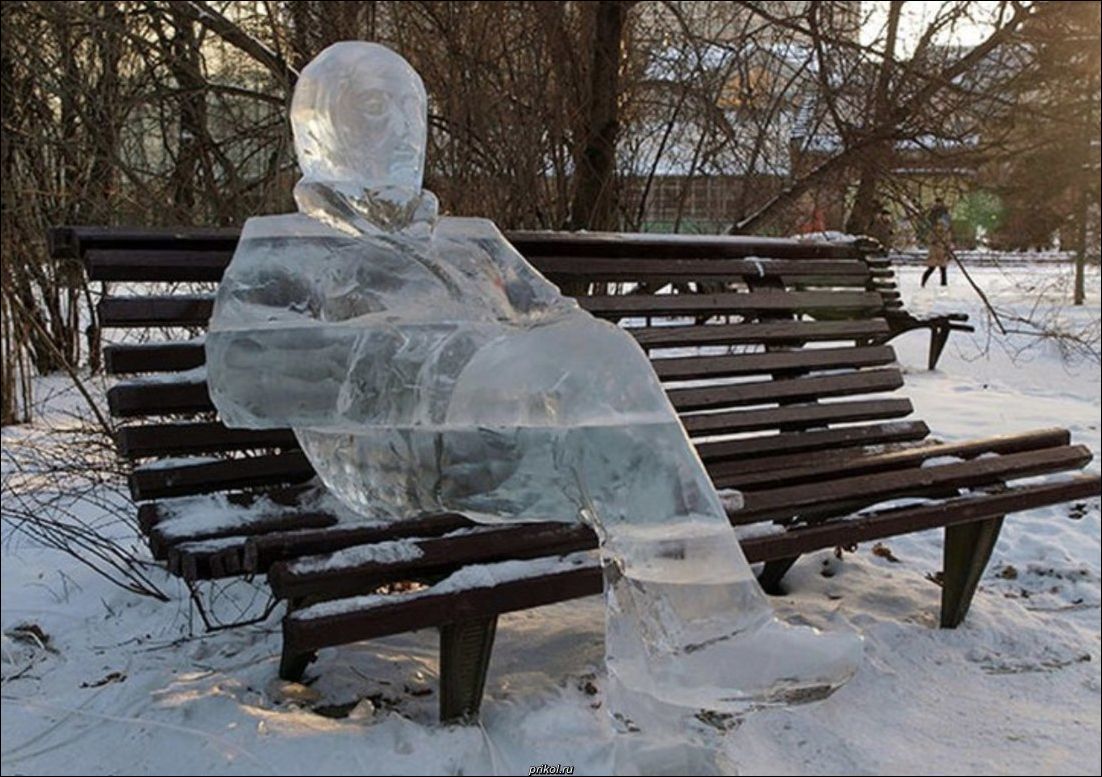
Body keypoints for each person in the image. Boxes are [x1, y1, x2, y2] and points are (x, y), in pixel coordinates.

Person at [205, 42, 861, 766]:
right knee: (617, 406)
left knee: (626, 447)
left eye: (412, 106)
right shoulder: (289, 246)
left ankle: (670, 721)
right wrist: (440, 363)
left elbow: (561, 320)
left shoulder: (470, 243)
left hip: (493, 437)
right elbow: (243, 372)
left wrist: (526, 363)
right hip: (389, 455)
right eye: (372, 105)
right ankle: (714, 641)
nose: (401, 126)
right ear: (317, 128)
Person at [922, 197, 952, 287]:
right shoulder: (933, 228)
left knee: (943, 268)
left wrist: (948, 247)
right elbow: (929, 238)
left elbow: (948, 238)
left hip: (942, 250)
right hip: (935, 250)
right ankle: (924, 281)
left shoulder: (944, 213)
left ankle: (944, 284)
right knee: (932, 267)